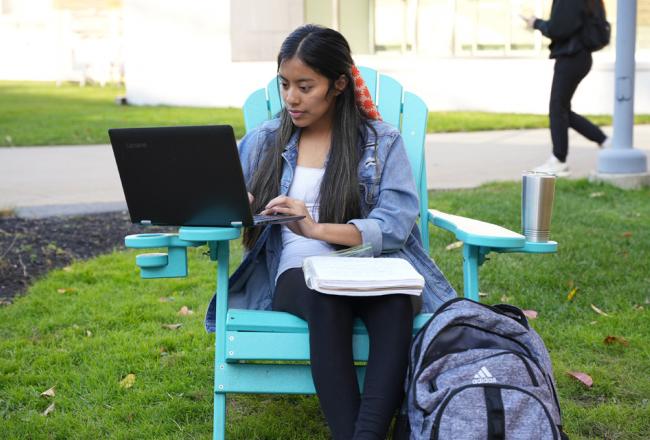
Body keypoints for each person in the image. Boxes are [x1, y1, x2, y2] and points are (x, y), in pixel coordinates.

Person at [204, 24, 456, 439]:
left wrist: (317, 226)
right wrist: (236, 204)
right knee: (328, 301)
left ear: (338, 84)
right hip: (297, 274)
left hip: (374, 268)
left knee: (395, 307)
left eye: (306, 86)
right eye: (284, 84)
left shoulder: (380, 142)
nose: (291, 98)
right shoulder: (266, 140)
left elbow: (394, 225)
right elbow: (212, 198)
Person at [523, 0, 609, 176]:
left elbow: (558, 28)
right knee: (562, 109)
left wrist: (536, 23)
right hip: (581, 56)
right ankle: (604, 140)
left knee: (557, 107)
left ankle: (559, 160)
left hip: (571, 56)